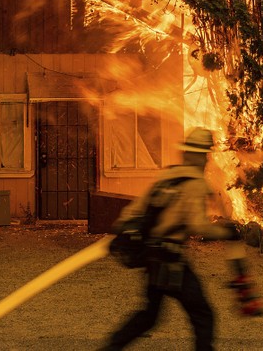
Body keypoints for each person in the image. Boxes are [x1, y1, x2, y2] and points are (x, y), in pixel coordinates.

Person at [102, 127, 242, 351]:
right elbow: (198, 226)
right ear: (198, 155)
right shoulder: (195, 183)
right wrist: (227, 232)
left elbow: (133, 213)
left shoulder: (167, 177)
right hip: (171, 261)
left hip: (152, 257)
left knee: (149, 316)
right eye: (206, 154)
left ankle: (108, 349)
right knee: (203, 315)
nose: (207, 159)